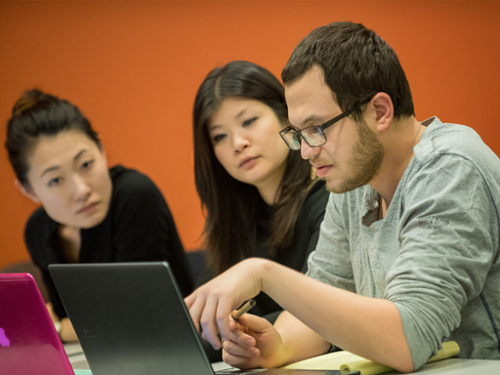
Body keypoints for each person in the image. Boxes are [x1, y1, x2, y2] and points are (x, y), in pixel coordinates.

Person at [185, 22, 500, 373]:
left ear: (379, 111)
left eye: (317, 129)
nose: (305, 151)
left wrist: (263, 273)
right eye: (299, 133)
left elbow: (410, 339)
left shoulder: (450, 167)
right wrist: (279, 344)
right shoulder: (354, 182)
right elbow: (325, 297)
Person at [5, 89, 193, 342]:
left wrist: (59, 331)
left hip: (173, 349)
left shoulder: (134, 195)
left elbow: (135, 321)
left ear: (102, 151)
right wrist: (65, 327)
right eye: (56, 180)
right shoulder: (38, 231)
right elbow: (72, 317)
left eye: (86, 165)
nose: (81, 190)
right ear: (28, 189)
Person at [192, 61, 330, 359]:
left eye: (248, 121)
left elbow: (324, 312)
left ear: (286, 116)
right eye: (219, 136)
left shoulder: (328, 197)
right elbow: (201, 324)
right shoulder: (236, 218)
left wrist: (228, 330)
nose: (238, 143)